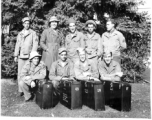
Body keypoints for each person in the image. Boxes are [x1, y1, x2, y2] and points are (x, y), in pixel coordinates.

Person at [14, 17, 39, 96]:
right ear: (23, 24)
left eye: (28, 23)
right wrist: (15, 55)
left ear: (29, 24)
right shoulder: (20, 34)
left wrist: (32, 55)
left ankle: (30, 90)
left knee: (30, 73)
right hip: (21, 57)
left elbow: (35, 44)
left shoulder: (33, 33)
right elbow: (17, 45)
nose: (27, 25)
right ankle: (20, 90)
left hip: (29, 57)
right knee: (20, 73)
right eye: (25, 23)